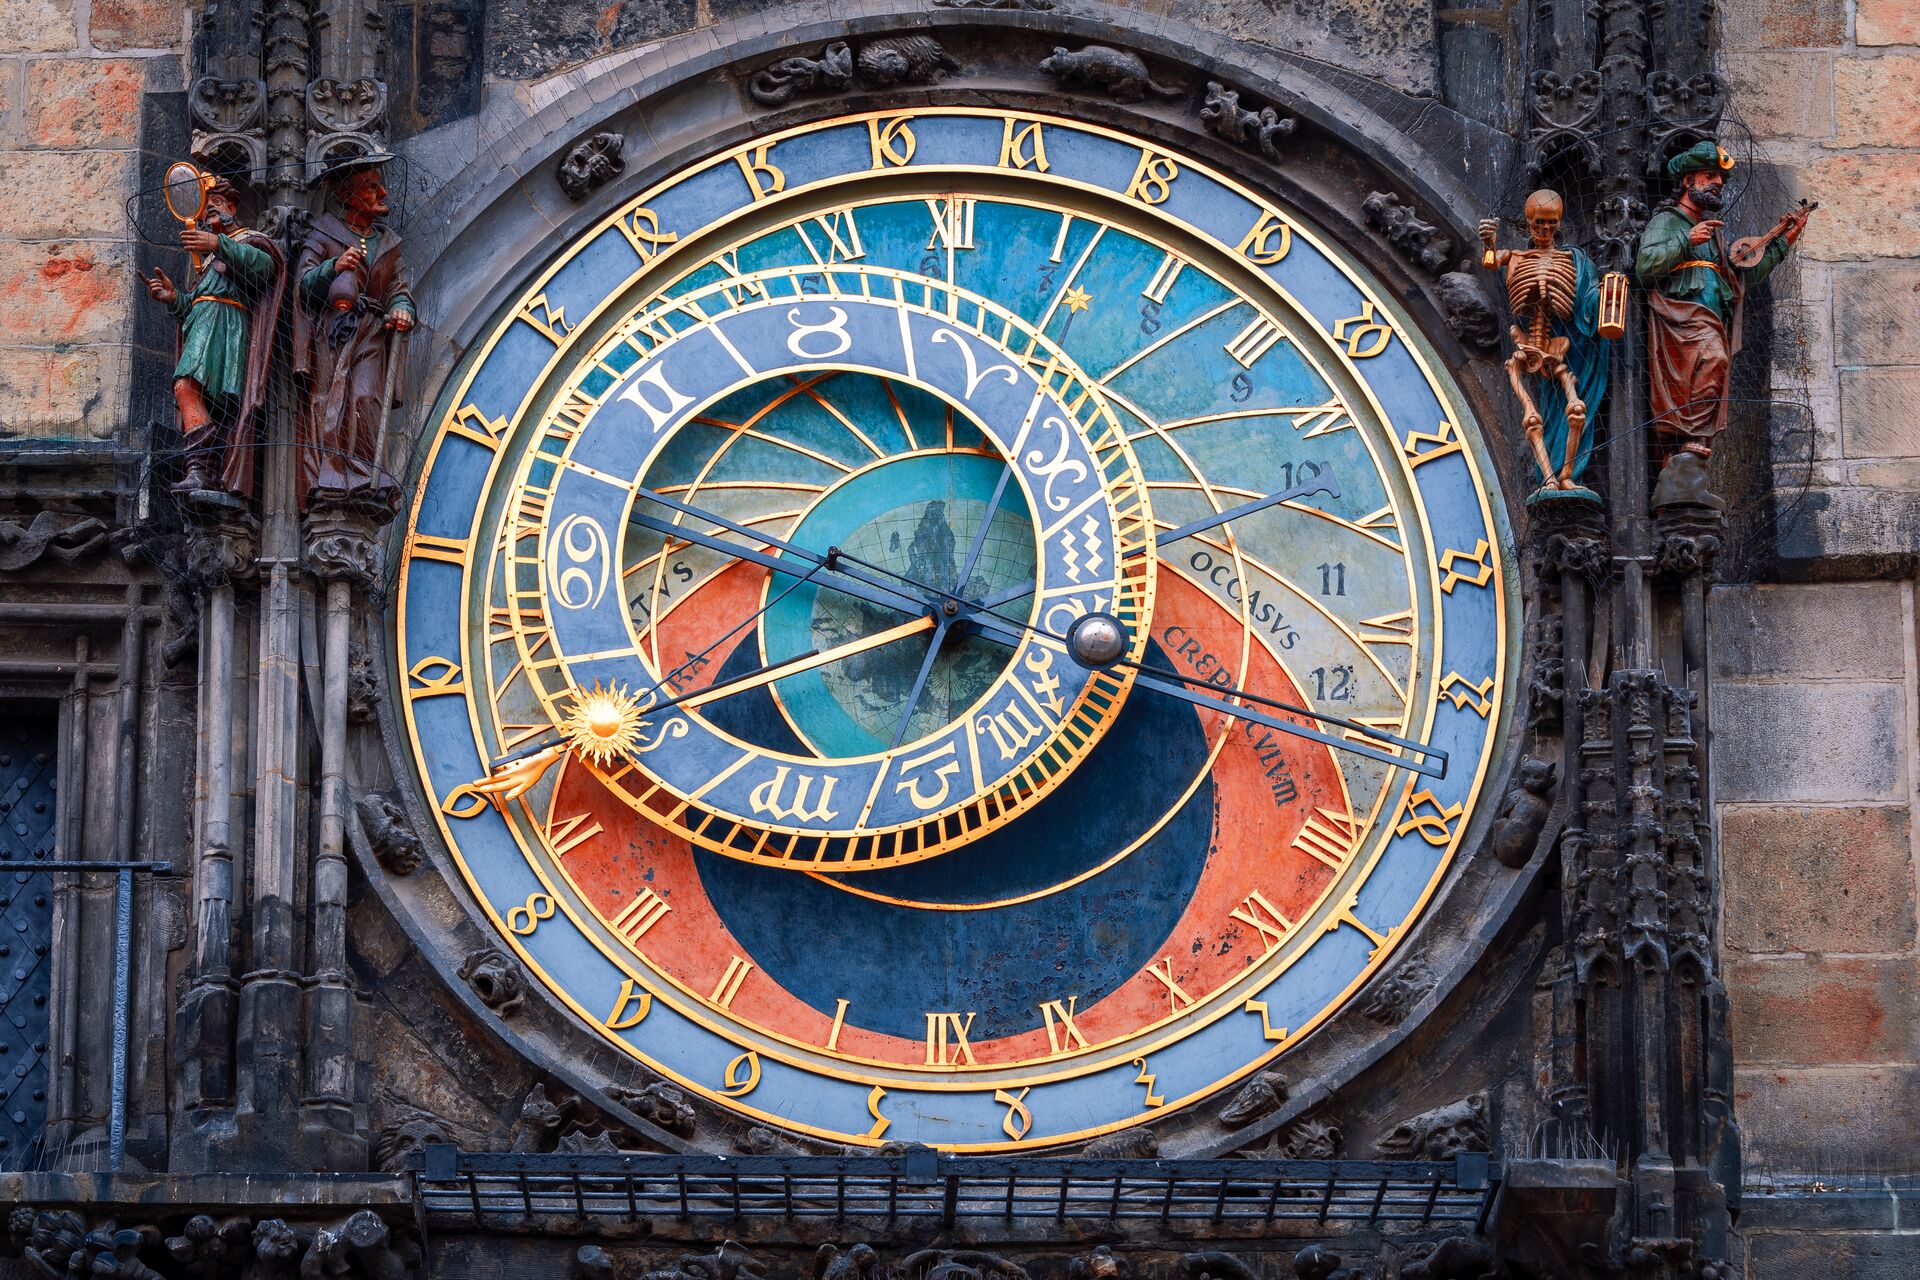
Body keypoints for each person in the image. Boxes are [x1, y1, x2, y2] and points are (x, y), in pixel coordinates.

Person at [1636, 140, 1811, 480]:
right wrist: (1688, 240)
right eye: (1709, 176)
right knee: (1713, 360)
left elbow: (1739, 278)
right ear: (1688, 181)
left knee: (1714, 366)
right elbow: (1645, 267)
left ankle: (1693, 443)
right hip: (1679, 322)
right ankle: (1681, 443)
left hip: (1712, 319)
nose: (1717, 183)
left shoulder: (1714, 234)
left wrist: (1783, 241)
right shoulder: (1668, 222)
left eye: (1719, 179)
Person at [143, 177, 285, 498]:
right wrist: (173, 298)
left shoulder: (250, 240)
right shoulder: (205, 261)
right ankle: (203, 470)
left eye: (215, 205)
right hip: (204, 325)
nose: (209, 214)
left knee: (188, 389)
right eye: (205, 209)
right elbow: (196, 306)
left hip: (227, 329)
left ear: (232, 207)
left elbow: (265, 268)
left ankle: (203, 468)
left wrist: (218, 244)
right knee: (191, 393)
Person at [293, 153, 416, 508]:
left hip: (373, 334)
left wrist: (401, 308)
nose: (383, 193)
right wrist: (333, 267)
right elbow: (304, 285)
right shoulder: (324, 233)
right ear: (347, 196)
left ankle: (366, 475)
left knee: (365, 398)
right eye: (371, 187)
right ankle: (331, 475)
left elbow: (399, 287)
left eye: (380, 185)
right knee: (331, 403)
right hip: (333, 334)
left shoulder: (387, 241)